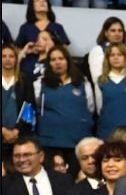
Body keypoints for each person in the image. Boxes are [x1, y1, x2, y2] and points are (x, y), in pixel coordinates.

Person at [34, 45, 94, 177]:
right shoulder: (39, 84)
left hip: (77, 142)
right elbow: (37, 107)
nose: (57, 62)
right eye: (53, 59)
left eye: (61, 58)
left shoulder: (83, 83)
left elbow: (90, 107)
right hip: (50, 142)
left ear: (68, 60)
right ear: (48, 63)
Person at [87, 17, 126, 88]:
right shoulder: (98, 50)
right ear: (106, 33)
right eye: (113, 31)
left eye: (120, 31)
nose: (117, 34)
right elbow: (97, 78)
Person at [14, 0, 70, 68]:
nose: (42, 2)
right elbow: (16, 49)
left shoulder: (57, 27)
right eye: (37, 0)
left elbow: (65, 51)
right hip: (29, 66)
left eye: (44, 0)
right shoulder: (25, 27)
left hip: (51, 67)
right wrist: (26, 51)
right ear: (32, 6)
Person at [1, 44, 28, 153]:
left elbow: (29, 108)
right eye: (4, 56)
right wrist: (3, 130)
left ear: (17, 59)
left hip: (19, 137)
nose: (8, 59)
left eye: (11, 56)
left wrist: (16, 131)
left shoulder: (25, 80)